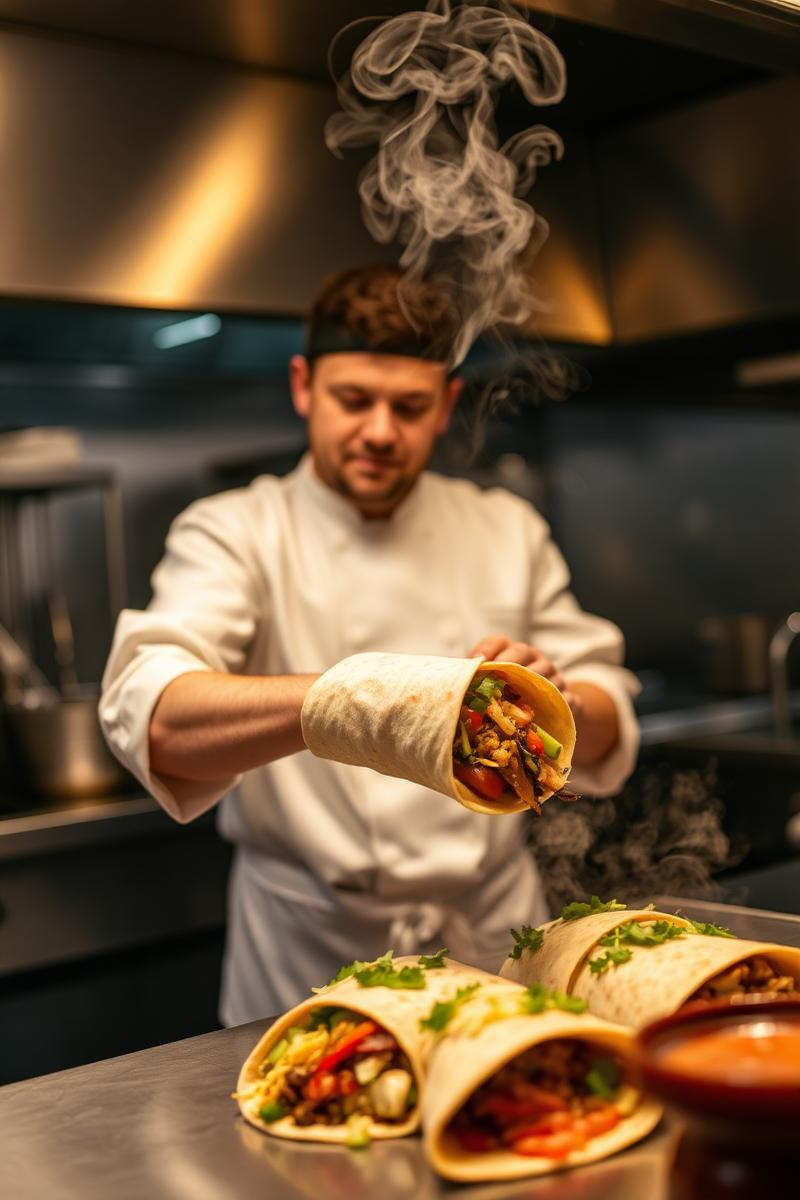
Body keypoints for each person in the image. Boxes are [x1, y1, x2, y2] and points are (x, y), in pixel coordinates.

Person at [99, 264, 640, 1025]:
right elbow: (153, 717)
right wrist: (367, 699)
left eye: (409, 407)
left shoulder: (505, 528)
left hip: (489, 930)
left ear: (448, 404)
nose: (380, 431)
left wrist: (555, 699)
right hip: (308, 952)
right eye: (354, 400)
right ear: (303, 387)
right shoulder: (236, 531)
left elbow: (609, 706)